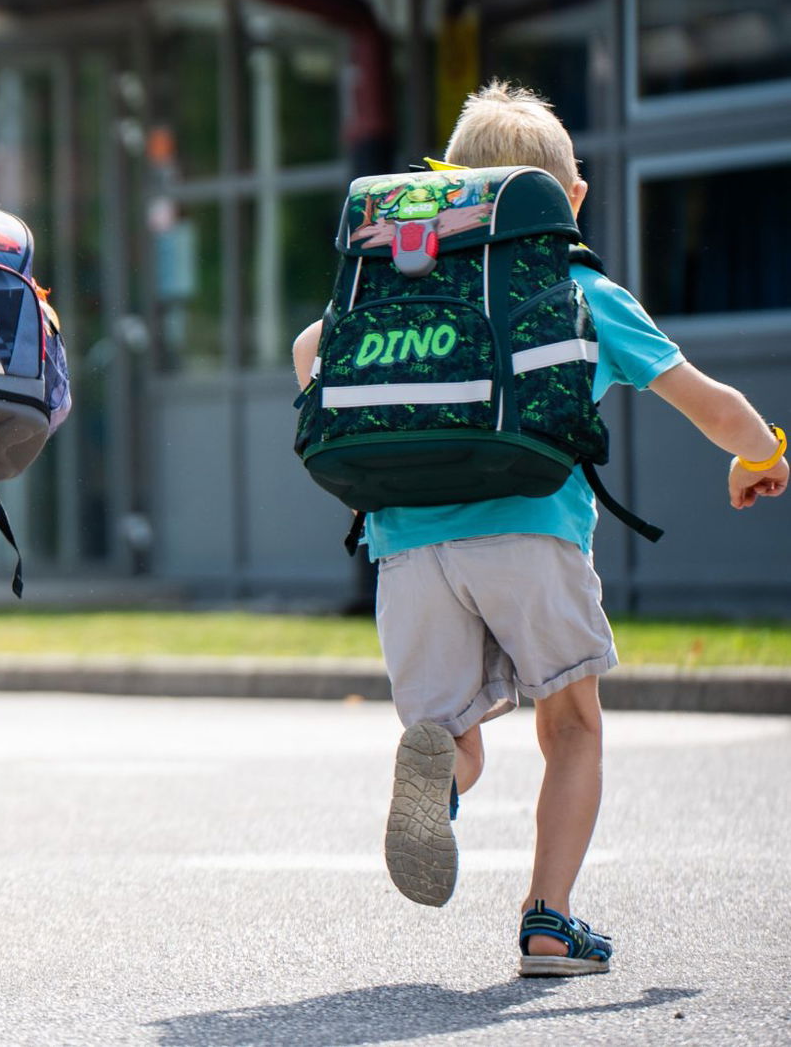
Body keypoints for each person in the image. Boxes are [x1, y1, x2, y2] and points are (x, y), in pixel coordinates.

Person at [291, 82, 786, 977]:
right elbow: (712, 405)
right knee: (574, 728)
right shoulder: (581, 288)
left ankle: (437, 776)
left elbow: (305, 354)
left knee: (458, 732)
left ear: (448, 189)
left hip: (406, 549)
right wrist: (762, 454)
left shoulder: (394, 282)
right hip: (533, 533)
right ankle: (549, 921)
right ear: (573, 200)